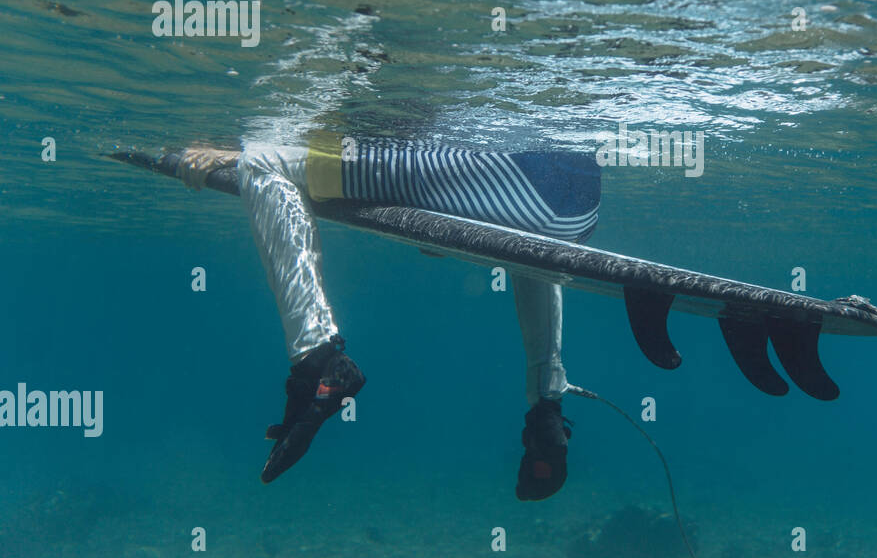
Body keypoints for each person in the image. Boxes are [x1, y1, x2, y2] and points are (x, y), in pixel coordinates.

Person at [176, 133, 600, 500]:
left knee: (262, 161)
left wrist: (242, 149)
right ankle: (547, 403)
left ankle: (317, 357)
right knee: (529, 247)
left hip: (505, 182)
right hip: (577, 205)